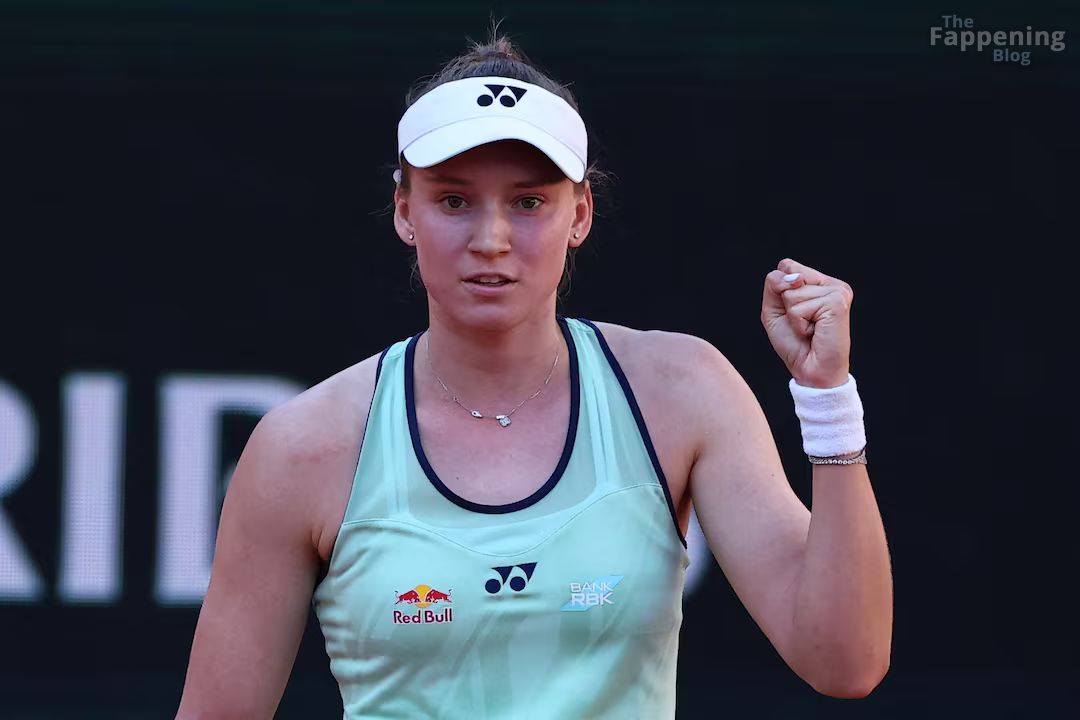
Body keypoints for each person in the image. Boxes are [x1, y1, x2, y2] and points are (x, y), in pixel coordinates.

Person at [175, 32, 892, 720]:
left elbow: (845, 662)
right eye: (454, 200)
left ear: (579, 214)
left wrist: (828, 401)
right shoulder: (302, 446)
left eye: (528, 203)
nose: (490, 240)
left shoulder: (683, 390)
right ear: (404, 212)